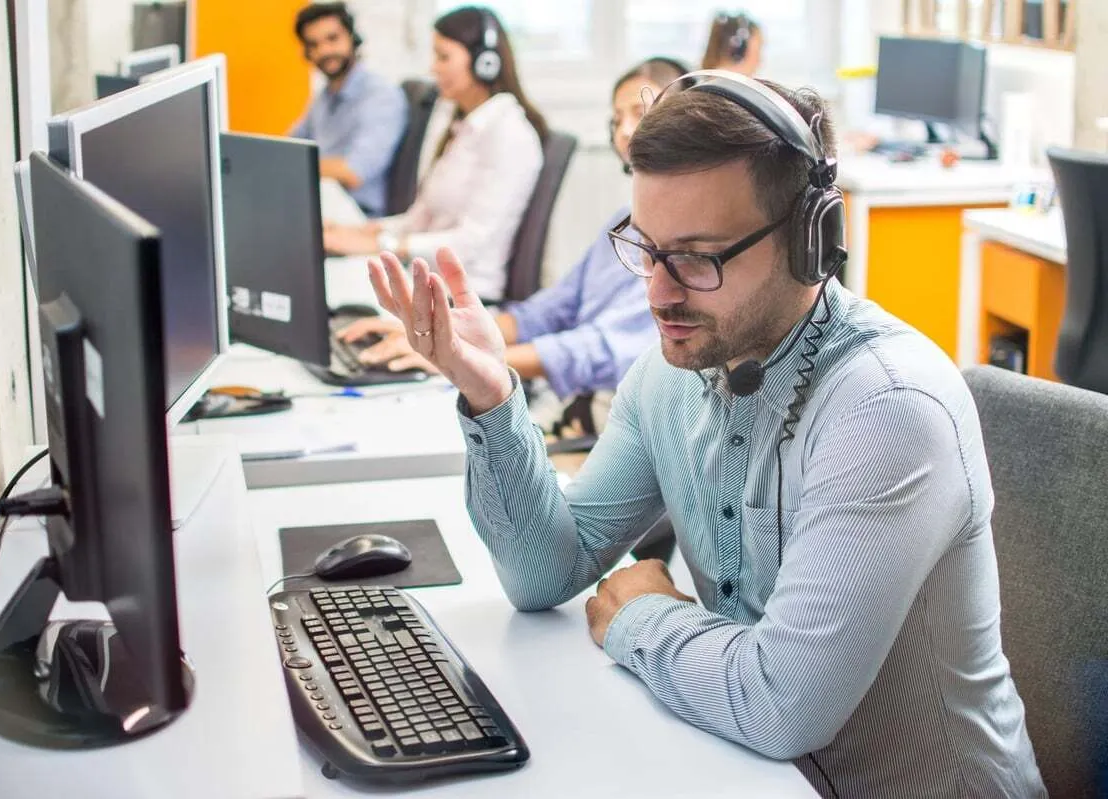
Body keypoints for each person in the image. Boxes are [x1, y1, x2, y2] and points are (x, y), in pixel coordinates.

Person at [359, 70, 1046, 797]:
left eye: (697, 257)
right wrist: (491, 392)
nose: (657, 291)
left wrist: (642, 615)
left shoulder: (888, 410)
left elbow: (781, 704)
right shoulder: (673, 373)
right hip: (744, 771)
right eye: (646, 248)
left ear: (810, 240)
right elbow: (543, 573)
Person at [337, 57, 689, 401]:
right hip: (578, 398)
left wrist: (464, 357)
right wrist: (438, 334)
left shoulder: (684, 240)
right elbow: (551, 310)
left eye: (639, 114)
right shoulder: (623, 221)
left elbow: (602, 351)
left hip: (615, 410)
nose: (625, 130)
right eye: (616, 119)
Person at [323, 6, 545, 303]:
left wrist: (382, 244)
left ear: (485, 62)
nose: (433, 69)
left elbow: (471, 243)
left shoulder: (510, 135)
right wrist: (362, 231)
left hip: (464, 296)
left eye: (443, 57)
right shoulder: (461, 122)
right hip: (425, 279)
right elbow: (422, 217)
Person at [287, 2, 407, 217]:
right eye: (313, 44)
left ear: (352, 37)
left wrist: (290, 166)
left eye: (332, 39)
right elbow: (290, 146)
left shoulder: (380, 96)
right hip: (323, 198)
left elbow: (353, 172)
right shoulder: (324, 97)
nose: (324, 51)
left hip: (358, 214)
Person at [701, 12, 763, 77]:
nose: (759, 61)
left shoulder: (707, 82)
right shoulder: (728, 85)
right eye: (758, 49)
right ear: (739, 51)